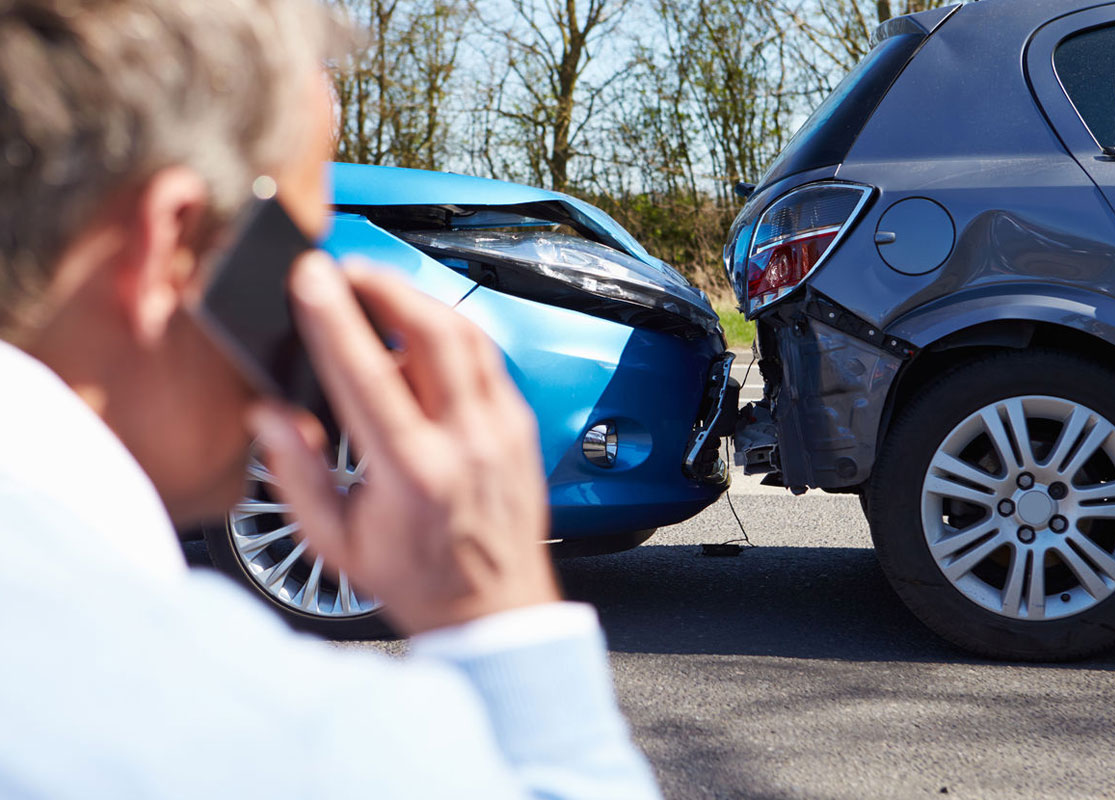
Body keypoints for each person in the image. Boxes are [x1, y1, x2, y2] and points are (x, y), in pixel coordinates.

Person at [0, 1, 660, 797]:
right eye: (297, 248)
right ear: (170, 249)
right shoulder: (251, 735)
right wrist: (500, 610)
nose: (311, 298)